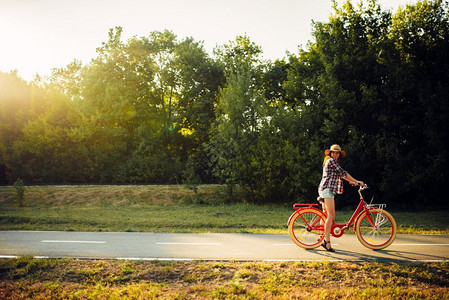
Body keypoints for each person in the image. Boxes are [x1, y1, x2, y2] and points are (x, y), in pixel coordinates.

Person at [318, 144, 364, 252]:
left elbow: (341, 175)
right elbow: (343, 173)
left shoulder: (331, 162)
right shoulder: (331, 161)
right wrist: (357, 181)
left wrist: (352, 182)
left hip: (325, 189)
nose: (336, 154)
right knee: (331, 215)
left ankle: (322, 238)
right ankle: (327, 242)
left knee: (325, 216)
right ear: (331, 153)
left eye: (337, 152)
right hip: (327, 190)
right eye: (334, 152)